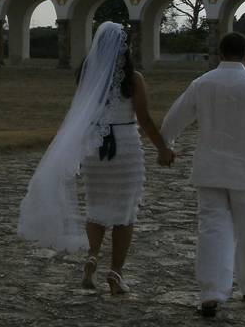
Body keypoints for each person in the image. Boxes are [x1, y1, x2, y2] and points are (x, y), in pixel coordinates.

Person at [18, 21, 174, 294]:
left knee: (96, 207)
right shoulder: (133, 79)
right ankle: (116, 272)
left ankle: (92, 257)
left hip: (95, 147)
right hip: (125, 147)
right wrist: (162, 147)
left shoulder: (86, 74)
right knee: (125, 214)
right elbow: (145, 119)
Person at [160, 32, 245, 318]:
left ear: (219, 54)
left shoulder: (202, 84)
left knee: (212, 229)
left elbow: (175, 118)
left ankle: (211, 292)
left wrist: (167, 145)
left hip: (209, 170)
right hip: (244, 171)